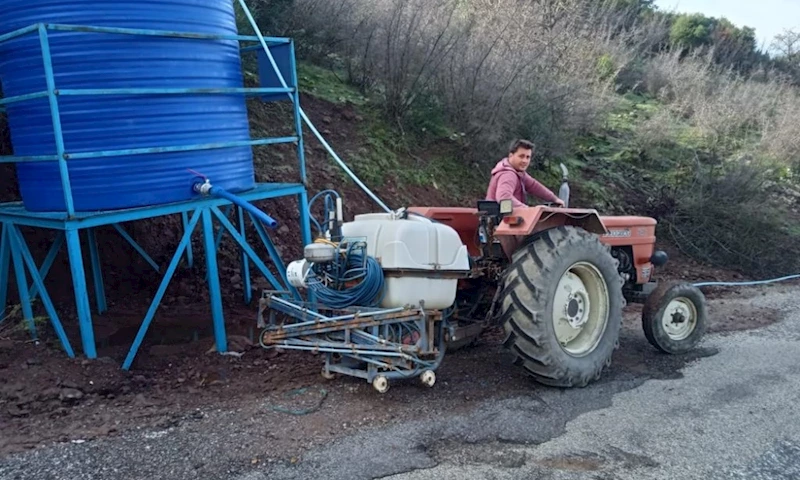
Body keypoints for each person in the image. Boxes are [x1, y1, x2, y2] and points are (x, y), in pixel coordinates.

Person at [485, 139, 565, 208]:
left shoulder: (519, 173)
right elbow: (503, 198)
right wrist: (527, 210)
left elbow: (534, 186)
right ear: (511, 156)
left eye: (528, 157)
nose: (525, 161)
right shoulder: (508, 174)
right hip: (499, 221)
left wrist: (554, 199)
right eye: (521, 156)